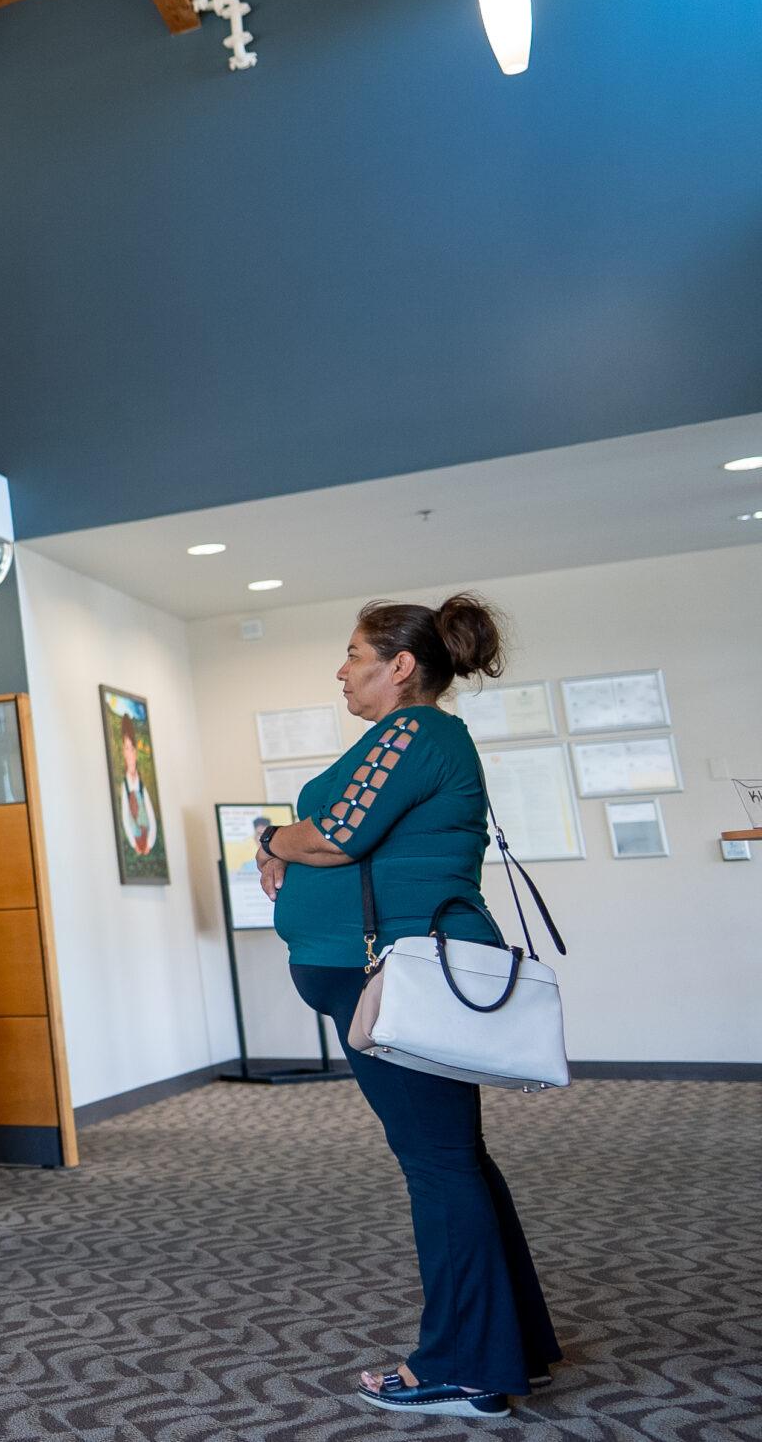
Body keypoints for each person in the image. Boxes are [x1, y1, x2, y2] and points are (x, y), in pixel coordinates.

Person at [255, 596, 561, 1419]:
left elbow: (338, 834)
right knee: (455, 1158)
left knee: (441, 1165)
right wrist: (292, 839)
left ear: (400, 666)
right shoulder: (407, 738)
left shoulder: (418, 732)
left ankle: (465, 1367)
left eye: (355, 653)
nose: (342, 669)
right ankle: (510, 1344)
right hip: (383, 977)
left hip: (399, 980)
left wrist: (269, 839)